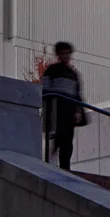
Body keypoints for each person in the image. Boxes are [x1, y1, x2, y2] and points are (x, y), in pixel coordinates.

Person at [40, 41, 84, 171]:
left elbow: (77, 94)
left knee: (67, 141)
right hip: (56, 110)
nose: (66, 56)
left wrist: (78, 111)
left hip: (68, 111)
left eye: (67, 53)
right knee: (56, 137)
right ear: (58, 55)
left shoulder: (73, 74)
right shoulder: (51, 70)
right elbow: (45, 90)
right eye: (63, 53)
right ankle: (50, 165)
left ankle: (65, 168)